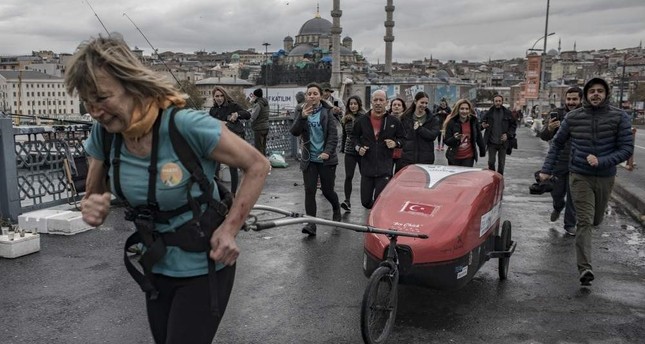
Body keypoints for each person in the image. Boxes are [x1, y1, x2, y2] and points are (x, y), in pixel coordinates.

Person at [65, 35, 270, 344]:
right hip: (156, 266)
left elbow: (257, 165)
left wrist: (229, 230)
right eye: (87, 102)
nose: (94, 111)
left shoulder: (186, 126)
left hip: (204, 266)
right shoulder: (105, 134)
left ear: (132, 86)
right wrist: (92, 205)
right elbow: (94, 195)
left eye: (103, 98)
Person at [539, 77, 633, 286]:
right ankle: (585, 269)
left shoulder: (620, 117)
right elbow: (556, 144)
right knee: (584, 221)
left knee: (595, 220)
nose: (596, 94)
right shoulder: (573, 117)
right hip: (579, 174)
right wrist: (546, 170)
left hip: (606, 177)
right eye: (592, 91)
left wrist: (602, 161)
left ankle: (588, 237)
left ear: (606, 93)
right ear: (587, 95)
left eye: (600, 91)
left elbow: (627, 149)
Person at [290, 83, 342, 236]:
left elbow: (333, 135)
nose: (312, 96)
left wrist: (327, 152)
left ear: (320, 96)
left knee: (327, 191)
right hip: (309, 158)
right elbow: (294, 131)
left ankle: (336, 207)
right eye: (309, 94)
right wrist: (302, 117)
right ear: (306, 96)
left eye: (315, 93)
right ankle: (311, 224)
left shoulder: (327, 112)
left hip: (326, 159)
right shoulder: (301, 110)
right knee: (309, 190)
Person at [539, 86, 583, 236]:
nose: (571, 102)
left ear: (580, 100)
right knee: (557, 192)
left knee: (573, 195)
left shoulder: (585, 115)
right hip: (559, 161)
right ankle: (558, 206)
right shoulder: (557, 114)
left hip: (578, 162)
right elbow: (543, 136)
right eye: (569, 99)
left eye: (574, 99)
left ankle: (569, 224)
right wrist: (549, 129)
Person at [352, 89, 404, 209]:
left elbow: (403, 139)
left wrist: (396, 143)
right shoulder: (362, 120)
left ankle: (374, 224)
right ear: (371, 102)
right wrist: (358, 148)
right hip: (367, 168)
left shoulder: (394, 121)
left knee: (379, 201)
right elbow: (354, 138)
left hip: (384, 168)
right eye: (375, 100)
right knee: (365, 202)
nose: (378, 102)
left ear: (386, 102)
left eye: (381, 100)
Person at [209, 86, 251, 194]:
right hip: (218, 141)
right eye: (217, 96)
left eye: (221, 95)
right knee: (215, 168)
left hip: (232, 141)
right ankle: (217, 193)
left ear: (225, 96)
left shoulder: (232, 106)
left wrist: (237, 114)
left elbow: (247, 114)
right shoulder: (212, 111)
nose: (219, 98)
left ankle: (233, 194)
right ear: (213, 98)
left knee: (233, 168)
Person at [396, 91, 441, 172]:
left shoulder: (433, 119)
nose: (424, 105)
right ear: (415, 102)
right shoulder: (405, 118)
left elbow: (432, 136)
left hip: (425, 160)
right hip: (407, 159)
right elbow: (400, 136)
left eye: (426, 103)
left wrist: (420, 129)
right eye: (422, 102)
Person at [339, 95, 365, 212]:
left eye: (355, 103)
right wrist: (342, 148)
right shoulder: (346, 118)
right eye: (351, 104)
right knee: (349, 176)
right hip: (349, 150)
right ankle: (347, 200)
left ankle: (367, 199)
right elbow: (345, 135)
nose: (353, 106)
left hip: (362, 150)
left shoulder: (364, 117)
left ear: (359, 105)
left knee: (365, 176)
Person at [442, 99, 486, 167]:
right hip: (454, 157)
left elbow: (479, 136)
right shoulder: (452, 122)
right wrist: (454, 138)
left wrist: (482, 150)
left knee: (465, 177)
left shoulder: (474, 121)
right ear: (458, 110)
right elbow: (446, 141)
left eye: (466, 109)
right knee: (455, 177)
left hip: (468, 157)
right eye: (462, 109)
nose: (464, 111)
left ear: (469, 110)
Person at [481, 94, 517, 175]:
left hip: (503, 143)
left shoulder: (507, 113)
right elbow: (481, 124)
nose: (498, 103)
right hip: (491, 142)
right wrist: (482, 125)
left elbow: (513, 126)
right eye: (496, 101)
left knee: (501, 164)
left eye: (499, 101)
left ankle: (500, 178)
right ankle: (492, 177)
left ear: (502, 102)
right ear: (493, 102)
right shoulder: (489, 113)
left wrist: (507, 135)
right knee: (491, 162)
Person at [250, 88, 270, 156]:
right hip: (266, 127)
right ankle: (265, 163)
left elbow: (253, 117)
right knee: (263, 147)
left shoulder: (258, 104)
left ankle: (261, 164)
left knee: (258, 148)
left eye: (253, 96)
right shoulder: (265, 103)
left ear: (255, 96)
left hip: (259, 128)